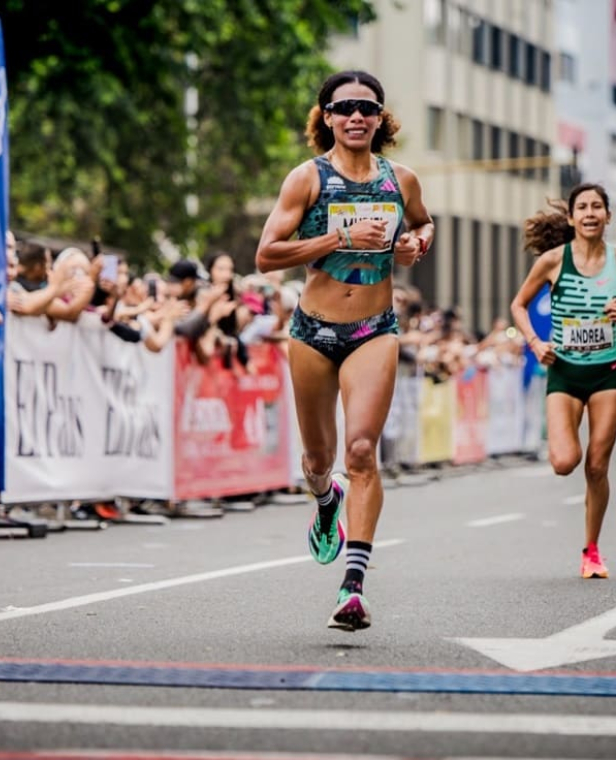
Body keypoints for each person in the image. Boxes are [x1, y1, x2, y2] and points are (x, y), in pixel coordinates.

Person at [255, 70, 433, 631]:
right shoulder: (306, 179)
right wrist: (336, 239)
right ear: (326, 117)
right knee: (318, 460)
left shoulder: (400, 180)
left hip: (373, 330)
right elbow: (266, 255)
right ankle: (323, 498)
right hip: (313, 331)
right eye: (344, 107)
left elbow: (424, 228)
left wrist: (413, 244)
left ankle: (352, 586)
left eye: (367, 107)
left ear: (381, 118)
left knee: (361, 451)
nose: (356, 116)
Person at [510, 183, 616, 579]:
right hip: (564, 371)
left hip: (608, 371)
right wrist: (534, 342)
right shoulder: (553, 261)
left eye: (598, 207)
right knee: (564, 462)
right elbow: (518, 305)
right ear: (572, 218)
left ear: (608, 216)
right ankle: (565, 450)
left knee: (596, 466)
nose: (590, 213)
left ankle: (591, 551)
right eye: (583, 207)